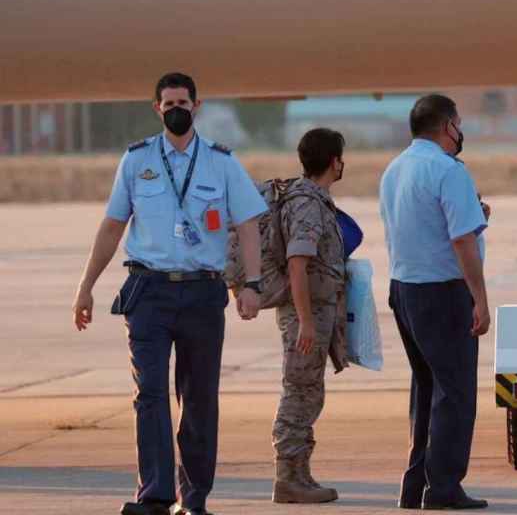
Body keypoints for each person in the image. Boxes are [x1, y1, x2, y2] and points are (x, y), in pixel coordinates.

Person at [72, 72, 267, 515]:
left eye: (183, 101)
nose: (176, 108)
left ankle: (194, 498)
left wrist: (251, 284)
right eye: (168, 102)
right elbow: (112, 226)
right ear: (156, 108)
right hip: (149, 291)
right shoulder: (136, 160)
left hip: (203, 294)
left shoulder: (221, 163)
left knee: (199, 399)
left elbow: (249, 224)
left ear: (197, 107)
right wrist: (85, 287)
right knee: (151, 395)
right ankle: (156, 495)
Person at [380, 94, 490, 510]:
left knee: (427, 388)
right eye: (458, 124)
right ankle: (443, 488)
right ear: (448, 126)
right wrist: (479, 298)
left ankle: (416, 487)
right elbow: (461, 239)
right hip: (442, 293)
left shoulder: (395, 169)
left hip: (405, 289)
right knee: (456, 393)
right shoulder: (448, 170)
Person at [271, 128, 349, 504]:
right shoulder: (307, 204)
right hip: (307, 316)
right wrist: (304, 321)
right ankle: (288, 477)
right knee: (299, 393)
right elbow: (297, 265)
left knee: (309, 393)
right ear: (334, 161)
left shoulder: (311, 200)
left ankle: (300, 474)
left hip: (315, 313)